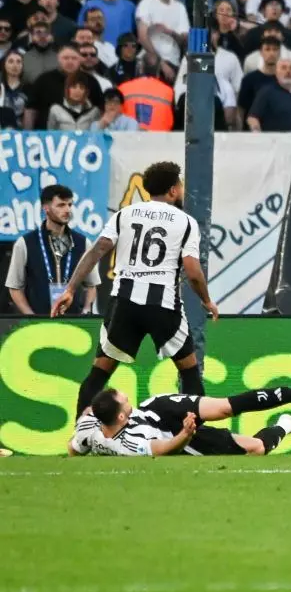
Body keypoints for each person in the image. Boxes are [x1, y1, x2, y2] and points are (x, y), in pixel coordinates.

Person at [51, 162, 218, 418]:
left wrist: (71, 289)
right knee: (189, 372)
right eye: (180, 185)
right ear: (173, 190)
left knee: (99, 373)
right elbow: (192, 270)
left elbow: (96, 251)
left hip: (124, 304)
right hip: (163, 305)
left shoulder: (124, 214)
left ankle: (80, 437)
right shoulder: (186, 222)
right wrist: (207, 300)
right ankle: (195, 438)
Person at [71, 385, 291, 457]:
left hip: (159, 408)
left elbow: (73, 448)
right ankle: (286, 424)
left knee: (226, 407)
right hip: (176, 437)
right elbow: (161, 450)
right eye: (126, 402)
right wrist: (185, 433)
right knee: (256, 449)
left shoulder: (88, 426)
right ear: (119, 417)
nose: (130, 401)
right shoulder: (129, 444)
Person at [6, 184, 100, 316]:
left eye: (70, 205)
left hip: (73, 323)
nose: (67, 210)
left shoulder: (83, 243)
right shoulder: (25, 243)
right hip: (38, 324)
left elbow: (92, 284)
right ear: (46, 208)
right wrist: (31, 316)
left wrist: (85, 312)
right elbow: (14, 287)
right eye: (61, 205)